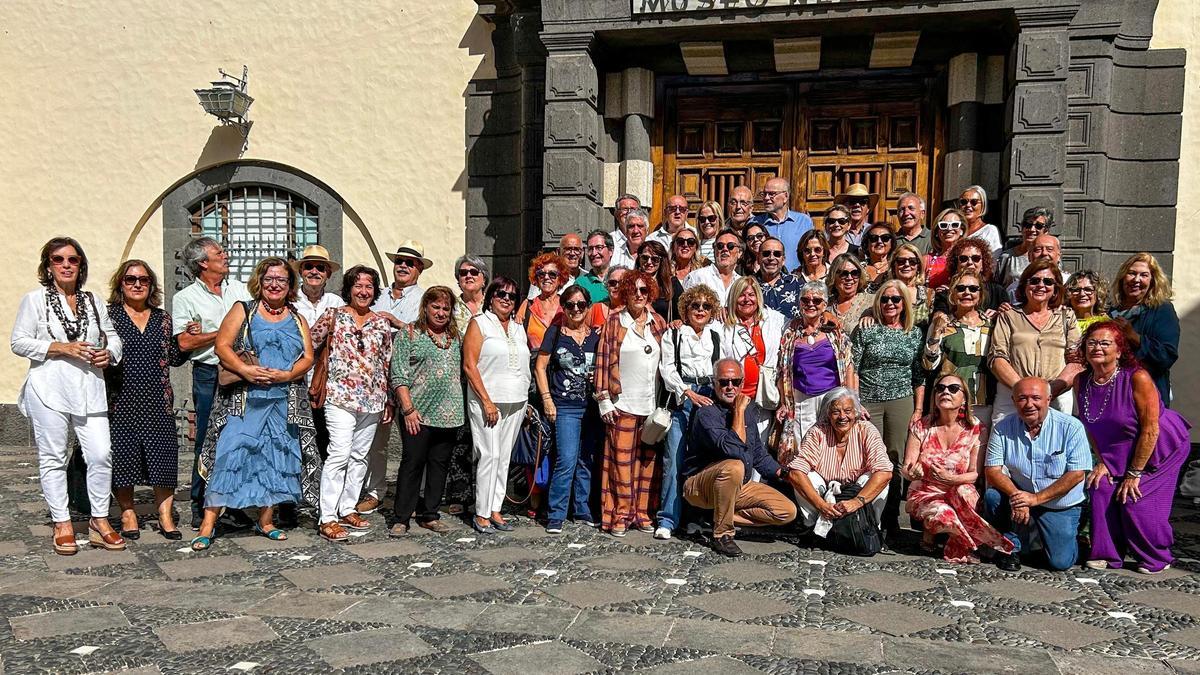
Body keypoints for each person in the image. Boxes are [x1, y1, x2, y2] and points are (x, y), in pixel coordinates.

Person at [191, 257, 317, 551]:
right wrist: (246, 370)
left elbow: (308, 357)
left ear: (290, 286)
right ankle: (208, 524)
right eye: (269, 279)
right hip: (246, 399)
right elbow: (222, 345)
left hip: (281, 399)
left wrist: (287, 374)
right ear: (260, 281)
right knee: (230, 453)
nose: (275, 285)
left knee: (275, 457)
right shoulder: (244, 310)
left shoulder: (297, 317)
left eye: (281, 280)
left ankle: (266, 520)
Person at [12, 237, 125, 554]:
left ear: (80, 265)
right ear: (48, 266)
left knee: (101, 454)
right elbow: (18, 342)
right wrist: (59, 347)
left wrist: (109, 354)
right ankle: (62, 522)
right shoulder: (34, 300)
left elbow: (113, 337)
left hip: (90, 387)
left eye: (72, 260)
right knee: (54, 456)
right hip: (49, 388)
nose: (65, 265)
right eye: (58, 259)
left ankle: (99, 521)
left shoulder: (93, 301)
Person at [1075, 320, 1191, 574]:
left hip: (1160, 447)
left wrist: (1134, 473)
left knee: (1134, 501)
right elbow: (1090, 424)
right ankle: (1108, 554)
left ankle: (1157, 556)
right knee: (1100, 487)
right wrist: (1103, 461)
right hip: (1116, 450)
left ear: (1119, 350)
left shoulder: (1137, 377)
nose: (1097, 347)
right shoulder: (1081, 381)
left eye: (1106, 343)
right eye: (1092, 342)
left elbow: (1150, 429)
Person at [308, 266, 393, 542]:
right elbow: (308, 342)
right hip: (339, 397)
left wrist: (389, 399)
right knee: (339, 454)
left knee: (359, 456)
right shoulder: (334, 316)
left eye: (369, 287)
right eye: (358, 286)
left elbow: (387, 362)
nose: (364, 292)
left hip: (372, 400)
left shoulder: (381, 323)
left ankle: (347, 508)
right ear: (348, 289)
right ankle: (327, 516)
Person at [172, 236, 252, 529]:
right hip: (207, 372)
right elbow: (183, 341)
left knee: (239, 439)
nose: (226, 255)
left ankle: (232, 504)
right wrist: (223, 333)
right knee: (207, 438)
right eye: (220, 253)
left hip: (240, 371)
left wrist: (211, 333)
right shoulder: (186, 298)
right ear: (203, 263)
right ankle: (200, 503)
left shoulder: (240, 289)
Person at [105, 260, 187, 541]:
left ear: (151, 285)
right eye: (130, 279)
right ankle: (127, 512)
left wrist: (187, 341)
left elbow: (173, 358)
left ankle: (164, 514)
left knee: (163, 456)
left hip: (157, 397)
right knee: (123, 456)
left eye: (143, 279)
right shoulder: (109, 317)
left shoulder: (162, 318)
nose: (137, 284)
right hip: (121, 397)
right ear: (121, 283)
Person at [685, 359, 797, 557]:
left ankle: (719, 516)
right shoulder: (706, 412)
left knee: (787, 511)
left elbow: (758, 454)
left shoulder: (748, 412)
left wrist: (783, 472)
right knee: (735, 466)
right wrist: (738, 410)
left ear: (742, 383)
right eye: (724, 382)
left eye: (735, 382)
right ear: (714, 383)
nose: (730, 387)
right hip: (700, 486)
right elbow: (733, 449)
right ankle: (722, 534)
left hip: (737, 486)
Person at [902, 374, 1014, 563]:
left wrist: (950, 479)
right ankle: (982, 544)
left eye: (953, 388)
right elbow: (907, 468)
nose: (945, 391)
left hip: (958, 490)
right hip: (926, 492)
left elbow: (975, 474)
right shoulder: (921, 426)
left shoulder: (976, 428)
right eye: (940, 388)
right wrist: (913, 472)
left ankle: (938, 537)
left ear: (964, 399)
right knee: (945, 515)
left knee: (965, 492)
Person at [984, 377, 1091, 571]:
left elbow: (1077, 474)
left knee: (1060, 563)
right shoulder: (1003, 427)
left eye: (1036, 398)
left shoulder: (1071, 427)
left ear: (1049, 399)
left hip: (1059, 503)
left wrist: (1035, 499)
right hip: (1021, 495)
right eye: (1022, 398)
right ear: (1014, 400)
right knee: (992, 497)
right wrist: (1019, 497)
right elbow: (992, 470)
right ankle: (1011, 546)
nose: (1029, 404)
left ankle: (1076, 540)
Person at [359, 240, 432, 515]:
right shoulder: (377, 295)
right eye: (399, 261)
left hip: (412, 379)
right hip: (375, 376)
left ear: (419, 269)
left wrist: (397, 323)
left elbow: (427, 333)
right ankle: (376, 491)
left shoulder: (424, 298)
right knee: (376, 440)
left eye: (409, 262)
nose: (403, 266)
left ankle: (419, 494)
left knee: (417, 440)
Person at [595, 270, 667, 537]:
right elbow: (603, 358)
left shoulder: (657, 322)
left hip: (652, 405)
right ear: (625, 292)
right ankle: (621, 514)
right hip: (622, 402)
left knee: (648, 464)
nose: (639, 295)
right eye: (634, 290)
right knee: (621, 464)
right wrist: (603, 399)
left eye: (644, 290)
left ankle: (643, 513)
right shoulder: (615, 321)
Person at [852, 279, 925, 539]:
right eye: (885, 299)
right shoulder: (866, 329)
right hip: (868, 401)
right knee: (868, 459)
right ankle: (867, 514)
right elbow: (853, 367)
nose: (890, 304)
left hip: (900, 400)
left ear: (904, 303)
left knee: (895, 461)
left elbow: (919, 375)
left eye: (895, 299)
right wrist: (855, 401)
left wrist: (918, 409)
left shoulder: (914, 333)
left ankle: (891, 518)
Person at [389, 287, 464, 537]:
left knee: (439, 465)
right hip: (418, 413)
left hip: (450, 414)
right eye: (436, 307)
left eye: (446, 308)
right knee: (412, 463)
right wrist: (408, 409)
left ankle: (430, 514)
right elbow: (398, 374)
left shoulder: (457, 337)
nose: (441, 313)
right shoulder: (409, 334)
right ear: (426, 307)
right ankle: (401, 517)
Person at [783, 388, 892, 550]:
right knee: (807, 477)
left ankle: (871, 526)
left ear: (856, 413)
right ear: (828, 414)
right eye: (836, 411)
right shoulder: (818, 432)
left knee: (874, 478)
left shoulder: (866, 430)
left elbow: (885, 472)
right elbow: (795, 473)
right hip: (826, 493)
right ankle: (811, 528)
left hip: (857, 493)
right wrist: (821, 505)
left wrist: (857, 502)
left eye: (848, 411)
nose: (842, 417)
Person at [462, 276, 530, 534]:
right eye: (501, 294)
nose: (506, 299)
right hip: (487, 401)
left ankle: (495, 508)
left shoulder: (518, 328)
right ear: (491, 297)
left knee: (503, 458)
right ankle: (481, 513)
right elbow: (469, 365)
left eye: (511, 296)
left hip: (517, 400)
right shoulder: (479, 324)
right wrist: (487, 401)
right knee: (488, 455)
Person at [658, 284, 723, 539]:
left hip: (708, 397)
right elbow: (667, 370)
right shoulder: (674, 335)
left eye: (706, 306)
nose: (700, 310)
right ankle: (667, 519)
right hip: (681, 396)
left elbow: (723, 368)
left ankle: (697, 518)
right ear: (685, 309)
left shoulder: (716, 336)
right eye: (695, 305)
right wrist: (687, 392)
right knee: (673, 459)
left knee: (704, 461)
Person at [536, 285, 602, 533]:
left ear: (588, 308)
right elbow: (540, 367)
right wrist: (546, 399)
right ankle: (556, 513)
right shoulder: (555, 334)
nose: (576, 309)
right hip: (564, 406)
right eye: (571, 305)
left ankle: (582, 509)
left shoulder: (595, 337)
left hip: (591, 407)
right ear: (563, 307)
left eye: (581, 305)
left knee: (586, 459)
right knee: (566, 459)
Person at [988, 260, 1082, 426]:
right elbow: (997, 357)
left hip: (1055, 396)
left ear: (1055, 289)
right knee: (1007, 447)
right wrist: (1024, 391)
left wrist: (1048, 392)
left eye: (1048, 282)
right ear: (1024, 285)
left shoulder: (1066, 317)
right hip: (1012, 395)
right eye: (1034, 280)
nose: (1041, 285)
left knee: (1053, 448)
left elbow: (1077, 361)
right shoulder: (1009, 316)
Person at [778, 281, 856, 443]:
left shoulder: (836, 333)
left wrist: (852, 400)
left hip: (832, 398)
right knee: (803, 446)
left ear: (825, 305)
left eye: (817, 301)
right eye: (805, 300)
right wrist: (784, 402)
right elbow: (783, 371)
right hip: (801, 400)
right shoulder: (790, 332)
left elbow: (849, 367)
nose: (810, 304)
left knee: (832, 443)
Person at [292, 246, 344, 467]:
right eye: (309, 266)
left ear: (328, 274)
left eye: (320, 267)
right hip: (296, 377)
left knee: (325, 435)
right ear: (301, 271)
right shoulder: (289, 301)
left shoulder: (337, 303)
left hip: (328, 381)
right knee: (296, 436)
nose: (315, 271)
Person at [924, 272, 996, 425]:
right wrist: (936, 332)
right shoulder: (942, 323)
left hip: (983, 401)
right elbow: (929, 364)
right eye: (961, 288)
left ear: (980, 294)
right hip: (949, 400)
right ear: (952, 293)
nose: (967, 293)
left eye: (973, 289)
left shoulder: (992, 324)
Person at [1109, 252, 1179, 406]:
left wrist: (1134, 337)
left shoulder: (1162, 310)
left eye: (1144, 275)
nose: (1136, 280)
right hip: (1113, 396)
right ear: (1122, 277)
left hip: (1146, 398)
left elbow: (1166, 356)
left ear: (1153, 281)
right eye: (1132, 273)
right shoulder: (1111, 311)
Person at [447, 255, 488, 514]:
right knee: (460, 439)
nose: (468, 276)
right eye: (463, 273)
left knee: (487, 438)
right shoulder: (451, 307)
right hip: (458, 382)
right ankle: (459, 494)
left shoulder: (495, 304)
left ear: (484, 277)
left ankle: (488, 492)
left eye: (474, 272)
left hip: (490, 381)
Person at [721, 277, 786, 439]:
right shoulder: (723, 324)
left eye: (751, 294)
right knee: (737, 445)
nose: (747, 299)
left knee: (760, 448)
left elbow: (800, 323)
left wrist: (827, 314)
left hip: (763, 399)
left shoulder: (774, 320)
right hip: (734, 399)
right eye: (741, 295)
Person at [751, 177, 814, 271]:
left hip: (797, 280)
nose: (766, 198)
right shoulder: (755, 223)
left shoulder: (804, 222)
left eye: (772, 194)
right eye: (764, 194)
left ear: (785, 196)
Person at [936, 237, 1008, 313]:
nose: (970, 262)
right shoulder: (945, 295)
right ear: (956, 264)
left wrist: (998, 314)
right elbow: (939, 319)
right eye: (963, 259)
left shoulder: (998, 292)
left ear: (983, 264)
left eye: (976, 258)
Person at [516, 252, 567, 351]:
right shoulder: (528, 306)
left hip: (562, 363)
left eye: (552, 274)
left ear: (560, 278)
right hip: (534, 362)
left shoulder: (568, 305)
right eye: (541, 274)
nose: (546, 277)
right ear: (536, 278)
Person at [683, 229, 742, 308]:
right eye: (720, 246)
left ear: (739, 253)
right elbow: (685, 309)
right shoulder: (696, 277)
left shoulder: (741, 283)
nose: (725, 249)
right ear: (714, 250)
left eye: (730, 246)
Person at [997, 207, 1052, 287]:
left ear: (1046, 230)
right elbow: (997, 287)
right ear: (1022, 228)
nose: (1032, 229)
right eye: (1028, 225)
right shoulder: (1007, 257)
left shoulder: (1050, 257)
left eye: (1038, 226)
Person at [1004, 234, 1063, 304]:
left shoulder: (1069, 283)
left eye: (1049, 249)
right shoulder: (1014, 288)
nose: (1044, 253)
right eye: (1038, 250)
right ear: (1029, 256)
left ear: (1059, 255)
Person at [757, 236, 804, 320]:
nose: (771, 258)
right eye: (766, 254)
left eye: (777, 254)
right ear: (758, 258)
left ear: (783, 260)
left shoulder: (797, 284)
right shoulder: (748, 285)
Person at [886, 242, 930, 328]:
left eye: (912, 261)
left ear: (918, 266)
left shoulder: (929, 294)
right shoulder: (885, 292)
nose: (906, 264)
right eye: (901, 261)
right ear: (893, 265)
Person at [827, 253, 873, 330]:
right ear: (834, 276)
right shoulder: (825, 304)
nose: (849, 278)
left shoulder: (873, 302)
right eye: (843, 274)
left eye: (854, 273)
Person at [924, 208, 966, 290]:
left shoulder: (968, 258)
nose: (949, 229)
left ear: (962, 230)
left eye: (954, 225)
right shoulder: (926, 260)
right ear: (937, 232)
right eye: (943, 225)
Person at [957, 185, 1002, 257]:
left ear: (983, 205)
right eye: (963, 202)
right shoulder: (955, 230)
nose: (968, 205)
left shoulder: (989, 231)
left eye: (974, 202)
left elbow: (994, 259)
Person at [636, 240, 674, 320]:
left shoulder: (672, 283)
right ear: (639, 258)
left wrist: (677, 321)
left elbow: (683, 313)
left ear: (661, 261)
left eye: (655, 259)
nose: (649, 262)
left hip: (664, 330)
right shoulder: (631, 282)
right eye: (645, 258)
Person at [610, 193, 642, 269]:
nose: (629, 212)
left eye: (633, 209)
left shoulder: (646, 241)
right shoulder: (608, 240)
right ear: (617, 214)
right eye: (625, 209)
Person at [581, 230, 614, 304]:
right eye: (590, 249)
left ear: (611, 251)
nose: (594, 253)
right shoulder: (581, 283)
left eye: (599, 248)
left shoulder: (621, 278)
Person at [861, 224, 896, 290]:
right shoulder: (858, 268)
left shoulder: (896, 267)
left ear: (891, 243)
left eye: (885, 238)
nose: (879, 241)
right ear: (867, 243)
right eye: (874, 238)